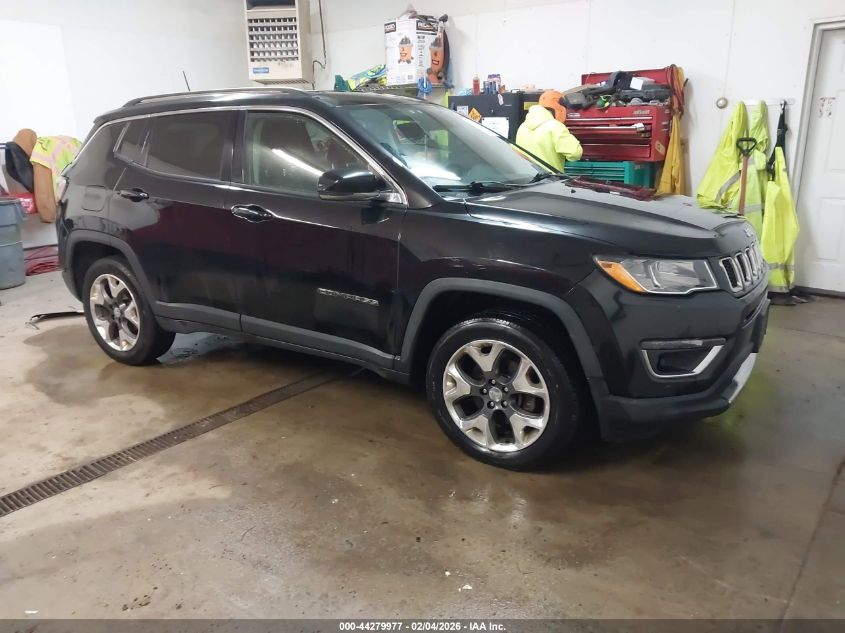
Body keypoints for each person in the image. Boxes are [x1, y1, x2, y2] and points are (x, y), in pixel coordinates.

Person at [4, 128, 81, 223]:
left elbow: (44, 197)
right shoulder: (56, 140)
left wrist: (48, 216)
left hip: (73, 209)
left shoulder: (41, 152)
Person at [515, 90, 582, 171]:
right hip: (550, 180)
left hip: (528, 179)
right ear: (560, 107)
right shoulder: (556, 126)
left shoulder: (522, 127)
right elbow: (575, 153)